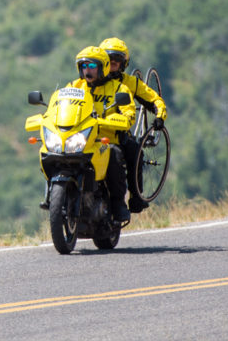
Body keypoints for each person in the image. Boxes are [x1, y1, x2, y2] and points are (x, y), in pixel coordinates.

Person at [66, 46, 135, 222]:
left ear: (103, 67)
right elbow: (61, 107)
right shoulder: (74, 86)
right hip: (79, 140)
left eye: (92, 66)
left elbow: (129, 117)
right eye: (84, 66)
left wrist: (106, 122)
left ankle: (118, 203)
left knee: (114, 153)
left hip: (105, 141)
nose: (87, 70)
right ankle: (57, 196)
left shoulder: (119, 88)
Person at [99, 37, 167, 213]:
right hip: (88, 135)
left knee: (135, 152)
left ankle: (136, 196)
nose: (112, 66)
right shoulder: (89, 82)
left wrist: (160, 116)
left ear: (123, 64)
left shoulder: (130, 83)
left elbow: (153, 99)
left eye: (116, 63)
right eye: (108, 62)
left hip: (117, 136)